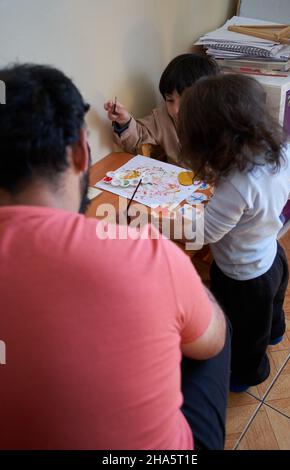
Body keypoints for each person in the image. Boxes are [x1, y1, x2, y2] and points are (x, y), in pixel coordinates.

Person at [0, 63, 230, 450]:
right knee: (214, 324)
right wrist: (179, 279)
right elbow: (212, 342)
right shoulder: (148, 254)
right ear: (79, 152)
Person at [178, 74, 290, 392]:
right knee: (271, 309)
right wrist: (260, 210)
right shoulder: (285, 152)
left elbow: (206, 233)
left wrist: (169, 222)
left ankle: (248, 373)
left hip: (241, 276)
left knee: (247, 333)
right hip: (272, 256)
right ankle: (276, 331)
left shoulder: (236, 183)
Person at [104, 53, 219, 165]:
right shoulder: (163, 117)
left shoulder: (222, 121)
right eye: (170, 100)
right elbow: (139, 140)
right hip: (176, 181)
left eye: (185, 101)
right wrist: (124, 121)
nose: (175, 110)